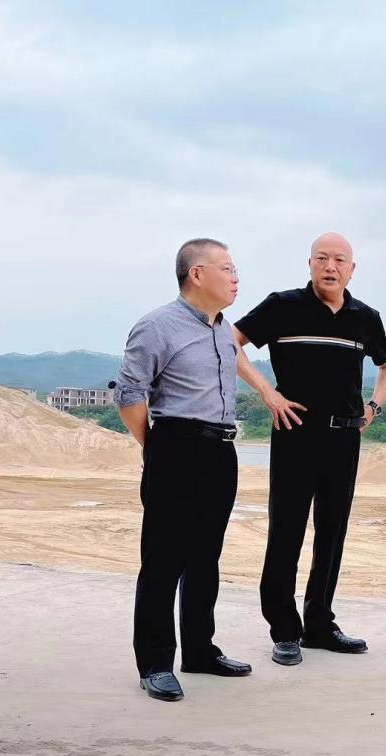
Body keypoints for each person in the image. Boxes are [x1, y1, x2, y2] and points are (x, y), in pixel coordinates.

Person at [232, 232, 386, 666]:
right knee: (285, 532)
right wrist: (267, 393)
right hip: (295, 434)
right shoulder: (283, 306)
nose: (330, 266)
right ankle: (284, 631)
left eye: (339, 260)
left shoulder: (365, 317)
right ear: (309, 264)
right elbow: (230, 341)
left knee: (332, 533)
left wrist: (375, 407)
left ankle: (320, 624)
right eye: (322, 258)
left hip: (344, 438)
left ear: (352, 269)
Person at [113, 238, 253, 702]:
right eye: (227, 268)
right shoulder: (157, 326)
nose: (236, 278)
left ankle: (199, 650)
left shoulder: (223, 330)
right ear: (197, 274)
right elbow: (129, 393)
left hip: (221, 450)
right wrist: (157, 448)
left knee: (205, 558)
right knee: (163, 560)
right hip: (175, 446)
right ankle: (155, 663)